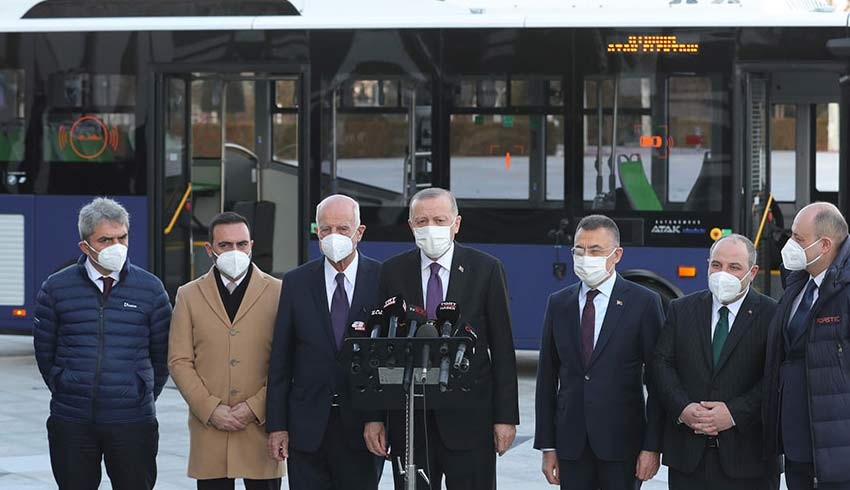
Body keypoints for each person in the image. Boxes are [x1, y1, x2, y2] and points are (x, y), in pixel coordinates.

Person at [364, 187, 519, 490]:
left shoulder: (486, 269)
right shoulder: (393, 271)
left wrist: (505, 418)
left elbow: (502, 349)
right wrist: (375, 417)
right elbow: (379, 350)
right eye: (422, 221)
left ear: (456, 223)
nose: (430, 228)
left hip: (470, 420)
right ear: (411, 226)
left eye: (439, 219)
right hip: (410, 421)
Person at [33, 197, 171, 490]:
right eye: (106, 240)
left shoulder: (151, 289)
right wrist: (65, 383)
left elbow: (163, 354)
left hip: (132, 421)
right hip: (72, 421)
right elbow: (45, 352)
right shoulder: (56, 288)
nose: (116, 246)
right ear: (86, 246)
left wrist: (139, 389)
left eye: (122, 237)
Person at [534, 214, 663, 490]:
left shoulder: (643, 303)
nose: (585, 257)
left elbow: (658, 381)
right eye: (579, 250)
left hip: (623, 446)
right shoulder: (559, 303)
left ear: (617, 255)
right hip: (571, 446)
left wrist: (652, 447)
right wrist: (547, 446)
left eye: (595, 250)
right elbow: (547, 377)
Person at [266, 194, 383, 490]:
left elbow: (388, 360)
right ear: (317, 232)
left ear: (360, 232)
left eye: (342, 229)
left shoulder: (383, 279)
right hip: (307, 428)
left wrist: (378, 418)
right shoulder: (296, 282)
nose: (333, 236)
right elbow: (281, 359)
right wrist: (277, 426)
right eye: (326, 229)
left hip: (362, 428)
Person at [653, 234, 779, 490]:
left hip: (749, 462)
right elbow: (661, 365)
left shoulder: (773, 314)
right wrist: (684, 408)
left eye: (734, 267)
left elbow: (776, 378)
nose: (723, 273)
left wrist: (734, 413)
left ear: (752, 272)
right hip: (688, 460)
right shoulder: (681, 309)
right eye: (716, 265)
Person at [168, 211, 284, 490]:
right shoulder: (188, 294)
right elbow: (179, 360)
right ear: (210, 249)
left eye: (242, 244)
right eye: (225, 245)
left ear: (252, 246)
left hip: (260, 428)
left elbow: (286, 361)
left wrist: (255, 407)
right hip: (210, 430)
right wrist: (210, 409)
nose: (235, 251)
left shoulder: (279, 292)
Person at [763, 202, 850, 490]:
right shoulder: (798, 283)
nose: (789, 245)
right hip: (797, 447)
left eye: (798, 239)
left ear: (824, 245)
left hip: (836, 454)